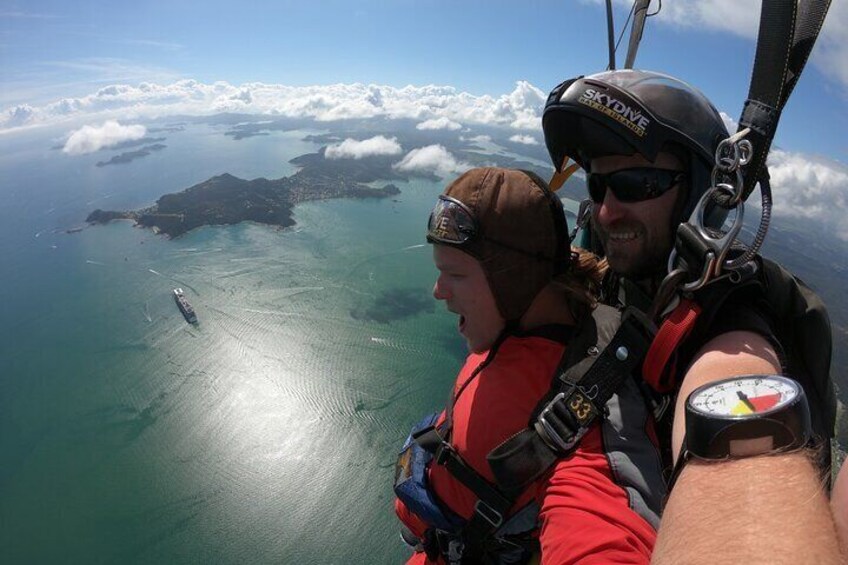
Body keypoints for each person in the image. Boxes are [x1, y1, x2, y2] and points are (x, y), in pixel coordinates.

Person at [542, 69, 842, 562]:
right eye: (598, 186)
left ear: (701, 191)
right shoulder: (630, 282)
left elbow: (732, 394)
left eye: (636, 184)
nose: (606, 212)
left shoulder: (732, 322)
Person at [393, 167, 662, 564]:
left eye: (454, 274)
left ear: (513, 281)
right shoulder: (514, 338)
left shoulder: (579, 419)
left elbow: (600, 527)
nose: (438, 291)